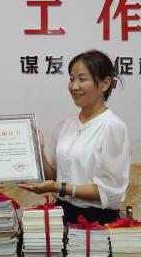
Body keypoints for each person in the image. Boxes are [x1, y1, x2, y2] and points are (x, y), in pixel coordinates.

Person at [19, 50, 130, 225]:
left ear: (105, 83)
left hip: (96, 222)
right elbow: (54, 176)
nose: (74, 86)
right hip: (61, 215)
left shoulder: (113, 127)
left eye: (82, 79)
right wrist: (39, 150)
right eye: (71, 79)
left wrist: (59, 187)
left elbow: (108, 192)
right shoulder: (65, 124)